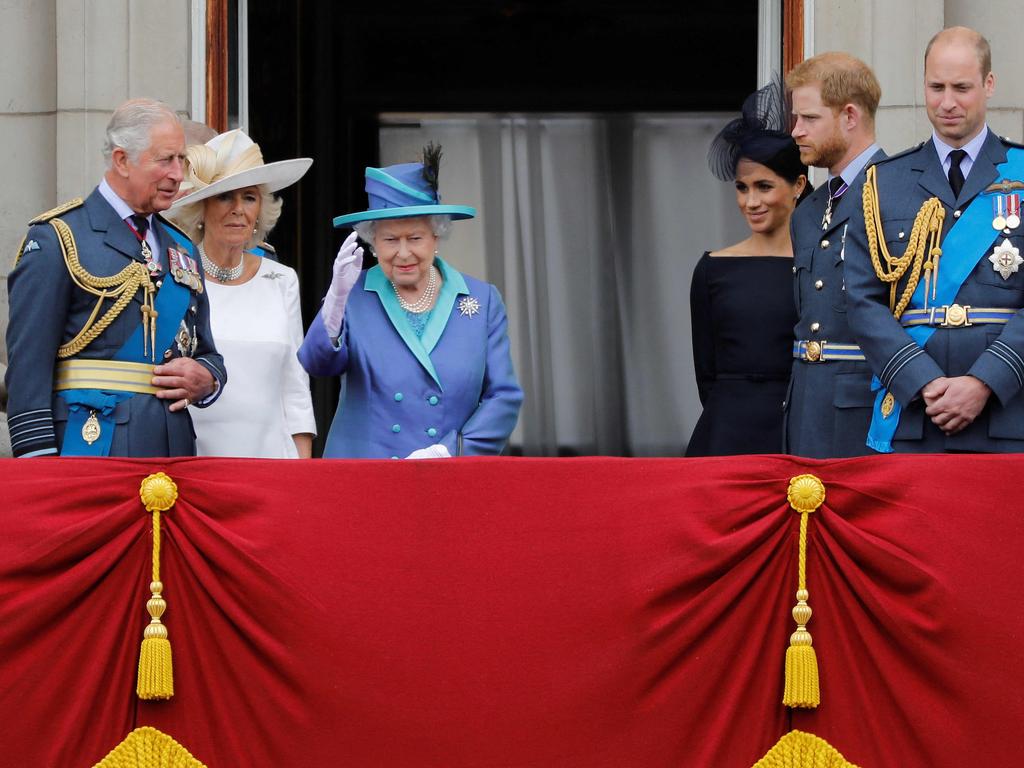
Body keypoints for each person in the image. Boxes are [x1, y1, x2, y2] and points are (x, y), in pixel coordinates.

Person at [4, 99, 225, 458]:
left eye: (181, 160)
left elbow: (208, 352)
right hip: (87, 446)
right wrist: (38, 464)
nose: (178, 174)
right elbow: (28, 368)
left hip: (172, 449)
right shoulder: (59, 237)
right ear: (122, 160)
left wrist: (208, 378)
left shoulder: (181, 246)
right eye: (165, 160)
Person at [845, 27, 1024, 452]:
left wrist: (985, 380)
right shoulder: (882, 184)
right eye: (936, 87)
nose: (947, 103)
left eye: (961, 88)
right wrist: (920, 380)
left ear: (989, 84)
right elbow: (862, 300)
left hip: (1008, 414)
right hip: (915, 417)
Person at [298, 145, 523, 458]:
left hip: (447, 477)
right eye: (390, 239)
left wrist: (453, 451)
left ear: (436, 236)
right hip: (364, 478)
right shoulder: (353, 295)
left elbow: (504, 397)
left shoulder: (482, 300)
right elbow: (317, 365)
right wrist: (335, 301)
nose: (403, 253)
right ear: (373, 241)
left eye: (415, 238)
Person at [168, 129, 316, 458]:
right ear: (201, 208)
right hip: (196, 462)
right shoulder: (178, 278)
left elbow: (295, 385)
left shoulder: (282, 279)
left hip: (273, 463)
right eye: (225, 196)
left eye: (249, 197)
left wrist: (303, 471)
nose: (238, 209)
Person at [686, 79, 809, 456]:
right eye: (742, 188)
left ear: (798, 185)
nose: (751, 201)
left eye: (764, 186)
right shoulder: (712, 270)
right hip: (725, 436)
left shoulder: (817, 268)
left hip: (799, 432)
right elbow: (706, 374)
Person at [784, 52, 885, 457]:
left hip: (863, 409)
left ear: (849, 116)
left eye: (809, 119)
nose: (795, 131)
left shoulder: (898, 192)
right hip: (806, 402)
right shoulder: (808, 210)